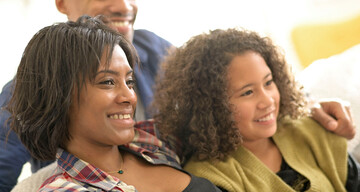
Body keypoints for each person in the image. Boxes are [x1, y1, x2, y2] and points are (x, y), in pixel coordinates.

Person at [0, 0, 355, 190]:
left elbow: (225, 96)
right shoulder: (27, 90)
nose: (124, 6)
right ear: (62, 1)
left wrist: (294, 108)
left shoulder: (155, 72)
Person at [7, 15, 221, 192]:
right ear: (58, 96)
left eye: (129, 81)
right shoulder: (64, 189)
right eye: (108, 82)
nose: (129, 96)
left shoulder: (152, 140)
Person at [152, 28, 360, 192]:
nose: (267, 101)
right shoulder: (211, 179)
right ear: (211, 107)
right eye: (248, 93)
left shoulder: (312, 131)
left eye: (268, 82)